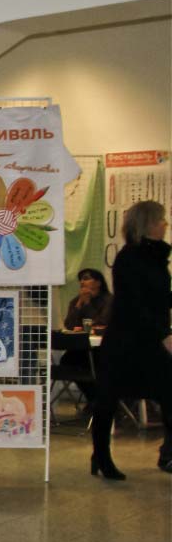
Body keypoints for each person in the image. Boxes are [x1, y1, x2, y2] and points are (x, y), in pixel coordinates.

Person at [92, 201, 172, 480]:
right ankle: (101, 456)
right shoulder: (128, 258)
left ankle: (168, 453)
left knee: (169, 394)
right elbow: (135, 304)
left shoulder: (157, 257)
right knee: (107, 400)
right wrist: (164, 334)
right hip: (126, 341)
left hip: (149, 339)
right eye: (161, 220)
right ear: (147, 224)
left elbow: (159, 299)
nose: (165, 224)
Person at [59, 268, 112, 405]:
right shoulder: (76, 301)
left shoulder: (109, 300)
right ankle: (94, 399)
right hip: (82, 347)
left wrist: (87, 304)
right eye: (81, 279)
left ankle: (102, 401)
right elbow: (69, 325)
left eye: (86, 278)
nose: (82, 282)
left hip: (103, 348)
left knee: (96, 365)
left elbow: (101, 322)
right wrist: (79, 304)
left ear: (98, 282)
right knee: (67, 360)